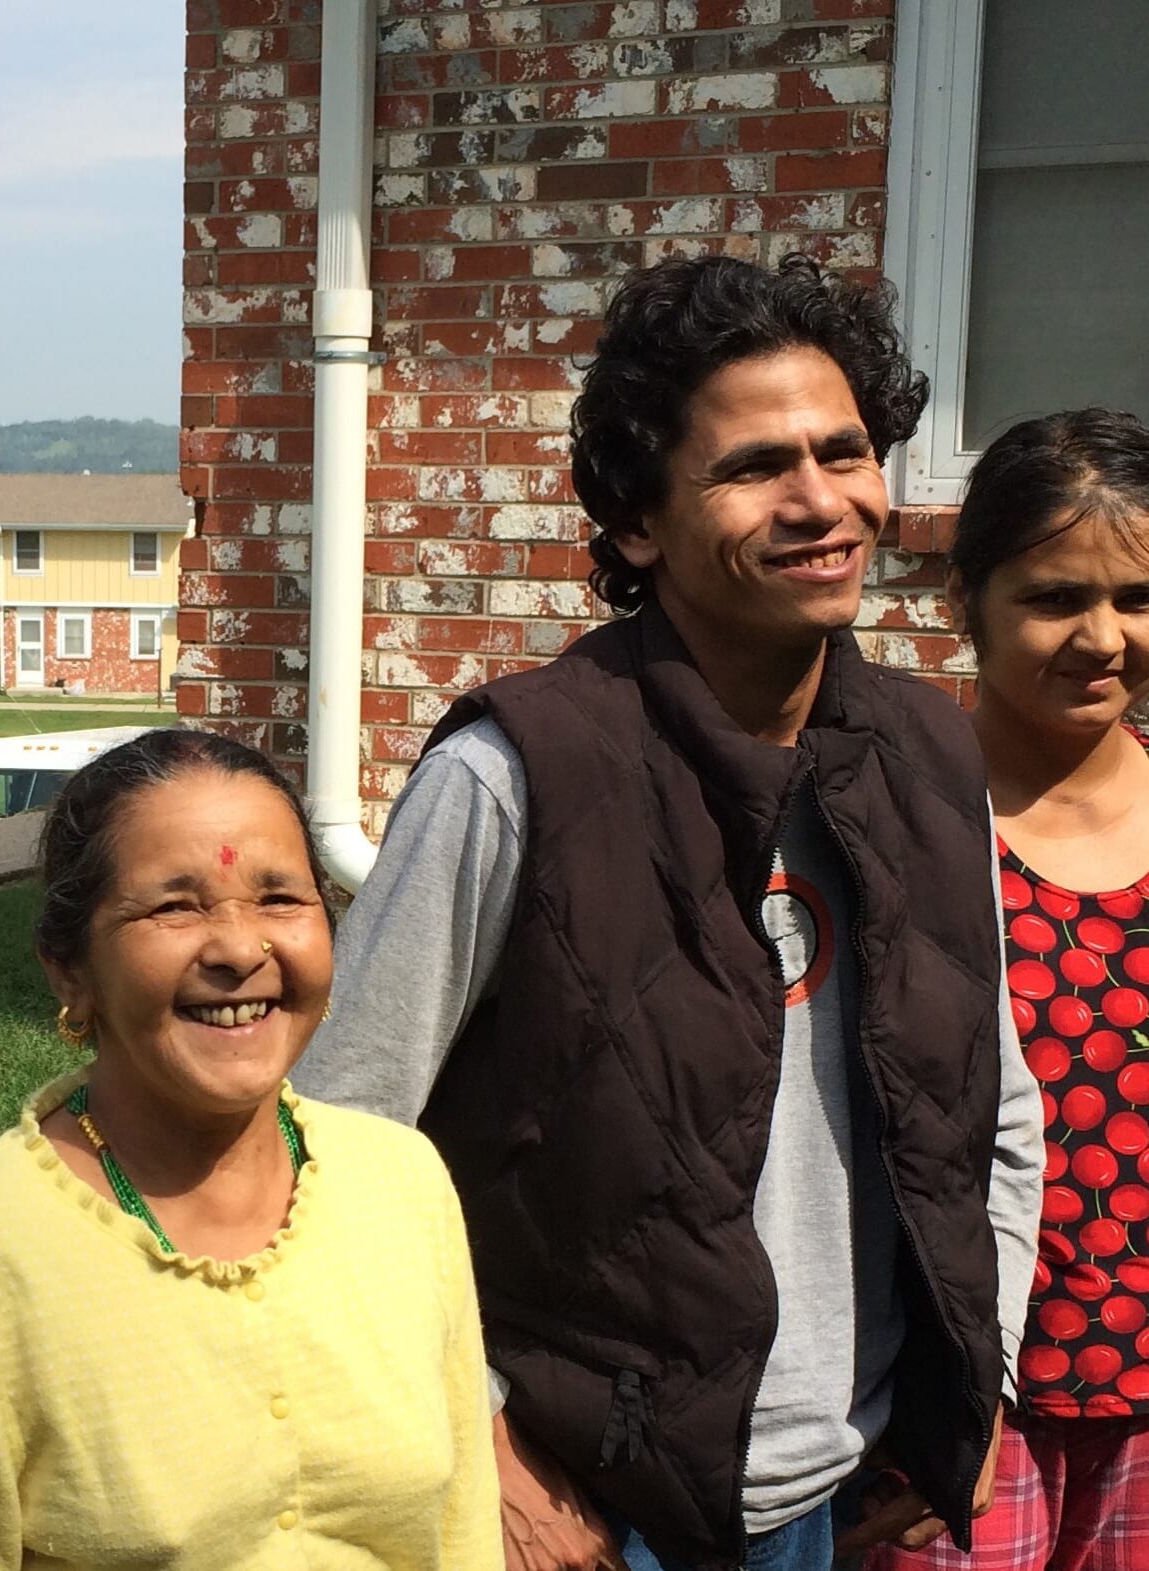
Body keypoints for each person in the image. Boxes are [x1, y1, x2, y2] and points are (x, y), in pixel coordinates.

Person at [296, 254, 1042, 1570]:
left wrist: (976, 1380)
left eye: (844, 450)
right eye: (753, 466)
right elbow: (334, 1148)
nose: (819, 500)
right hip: (594, 1503)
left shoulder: (930, 755)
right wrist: (476, 1430)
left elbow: (998, 1108)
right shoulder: (515, 774)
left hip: (850, 1489)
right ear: (637, 524)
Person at [0, 728, 501, 1570]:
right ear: (69, 969)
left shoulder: (403, 1183)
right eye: (175, 906)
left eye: (280, 898)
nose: (240, 948)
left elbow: (464, 1533)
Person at [868, 410, 1149, 1570]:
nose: (1101, 636)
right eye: (1052, 597)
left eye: (1135, 596)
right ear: (963, 602)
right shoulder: (891, 824)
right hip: (953, 1406)